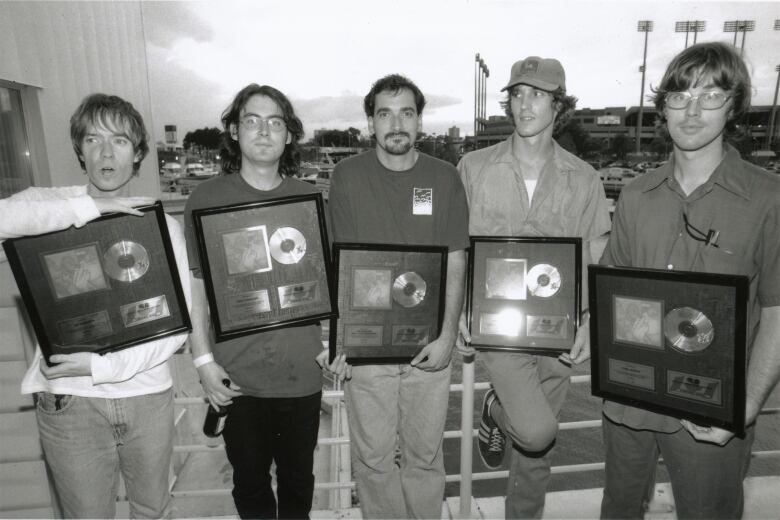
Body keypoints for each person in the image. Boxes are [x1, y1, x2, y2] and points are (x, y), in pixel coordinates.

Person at [599, 42, 780, 519]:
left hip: (711, 409)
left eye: (711, 94)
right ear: (663, 107)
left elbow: (778, 315)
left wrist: (743, 406)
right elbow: (614, 294)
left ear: (734, 104)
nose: (693, 110)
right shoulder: (636, 195)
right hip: (630, 402)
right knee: (618, 509)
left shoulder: (769, 200)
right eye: (680, 97)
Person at [2, 93, 190, 519]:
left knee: (153, 513)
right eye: (93, 139)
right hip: (70, 402)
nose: (106, 153)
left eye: (120, 141)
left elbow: (177, 328)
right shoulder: (50, 208)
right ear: (80, 150)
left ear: (138, 151)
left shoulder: (163, 226)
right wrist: (87, 208)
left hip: (146, 395)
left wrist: (99, 367)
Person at [457, 56, 611, 518]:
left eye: (537, 95)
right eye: (518, 94)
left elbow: (595, 256)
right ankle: (498, 411)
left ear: (557, 105)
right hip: (498, 327)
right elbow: (457, 249)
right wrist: (459, 312)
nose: (524, 105)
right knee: (538, 430)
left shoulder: (582, 178)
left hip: (556, 329)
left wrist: (588, 320)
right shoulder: (473, 167)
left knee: (535, 455)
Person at [318, 74, 470, 519]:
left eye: (406, 112)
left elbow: (456, 258)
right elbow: (339, 265)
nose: (396, 123)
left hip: (429, 348)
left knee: (424, 459)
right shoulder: (346, 176)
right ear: (371, 123)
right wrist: (340, 342)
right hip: (369, 352)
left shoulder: (443, 178)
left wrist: (446, 337)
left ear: (420, 120)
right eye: (385, 113)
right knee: (374, 462)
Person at [184, 84, 323, 519]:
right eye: (252, 120)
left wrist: (339, 341)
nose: (264, 131)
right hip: (236, 377)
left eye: (275, 122)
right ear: (235, 131)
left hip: (302, 372)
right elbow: (200, 292)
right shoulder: (205, 200)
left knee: (299, 483)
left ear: (288, 136)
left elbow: (329, 281)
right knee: (249, 484)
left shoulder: (313, 199)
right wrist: (203, 362)